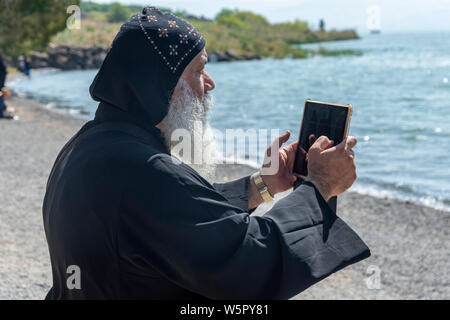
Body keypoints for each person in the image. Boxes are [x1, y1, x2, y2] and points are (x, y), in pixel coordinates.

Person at [43, 7, 370, 300]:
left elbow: (180, 221)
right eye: (199, 70)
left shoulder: (91, 143)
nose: (209, 83)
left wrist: (263, 185)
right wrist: (322, 185)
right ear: (162, 81)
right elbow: (247, 264)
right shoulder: (143, 169)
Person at [0, 53, 8, 118]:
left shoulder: (1, 63)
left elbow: (4, 73)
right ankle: (2, 110)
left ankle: (1, 113)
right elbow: (5, 72)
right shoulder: (2, 62)